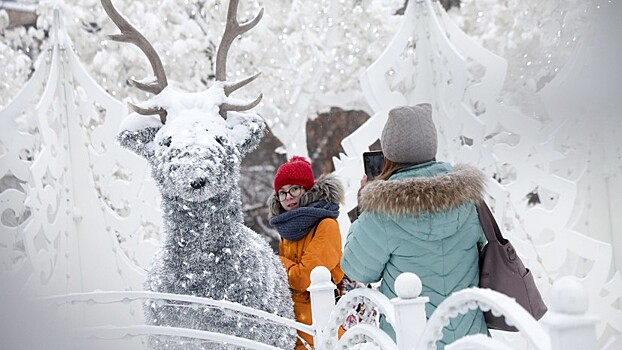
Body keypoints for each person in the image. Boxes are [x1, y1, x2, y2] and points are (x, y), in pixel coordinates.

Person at [340, 104, 488, 349]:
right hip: (469, 337)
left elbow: (357, 268)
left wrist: (364, 203)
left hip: (412, 339)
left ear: (389, 153)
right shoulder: (469, 200)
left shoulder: (382, 210)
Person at [267, 156, 345, 350]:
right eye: (282, 192)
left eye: (294, 189)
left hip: (322, 328)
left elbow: (305, 278)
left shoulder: (326, 224)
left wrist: (275, 262)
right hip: (294, 328)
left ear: (307, 190)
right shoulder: (287, 230)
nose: (288, 197)